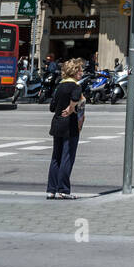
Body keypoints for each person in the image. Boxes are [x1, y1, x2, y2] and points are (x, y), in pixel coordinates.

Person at [47, 58, 86, 200]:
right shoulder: (76, 86)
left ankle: (51, 189)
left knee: (56, 157)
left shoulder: (59, 86)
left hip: (57, 123)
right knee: (67, 157)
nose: (82, 73)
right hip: (70, 125)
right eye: (80, 70)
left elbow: (51, 107)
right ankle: (63, 189)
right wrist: (71, 107)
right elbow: (76, 97)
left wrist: (63, 106)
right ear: (75, 72)